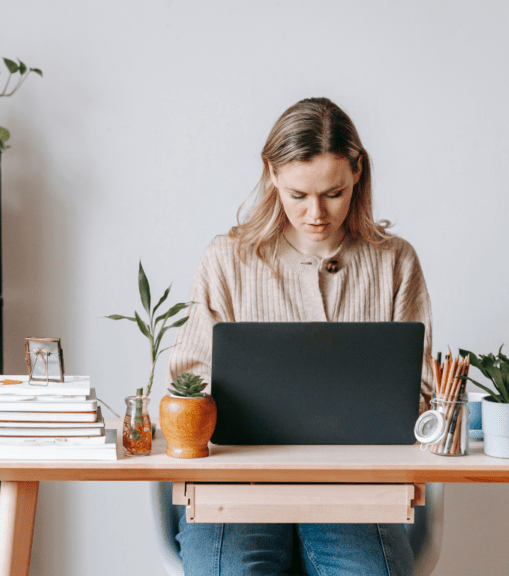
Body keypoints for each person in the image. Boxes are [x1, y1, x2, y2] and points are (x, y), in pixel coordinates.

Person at [166, 97, 433, 576]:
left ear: (357, 171)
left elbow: (422, 391)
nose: (315, 213)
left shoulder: (395, 261)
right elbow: (188, 378)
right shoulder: (226, 259)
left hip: (355, 493)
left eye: (332, 193)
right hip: (235, 489)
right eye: (297, 195)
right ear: (271, 174)